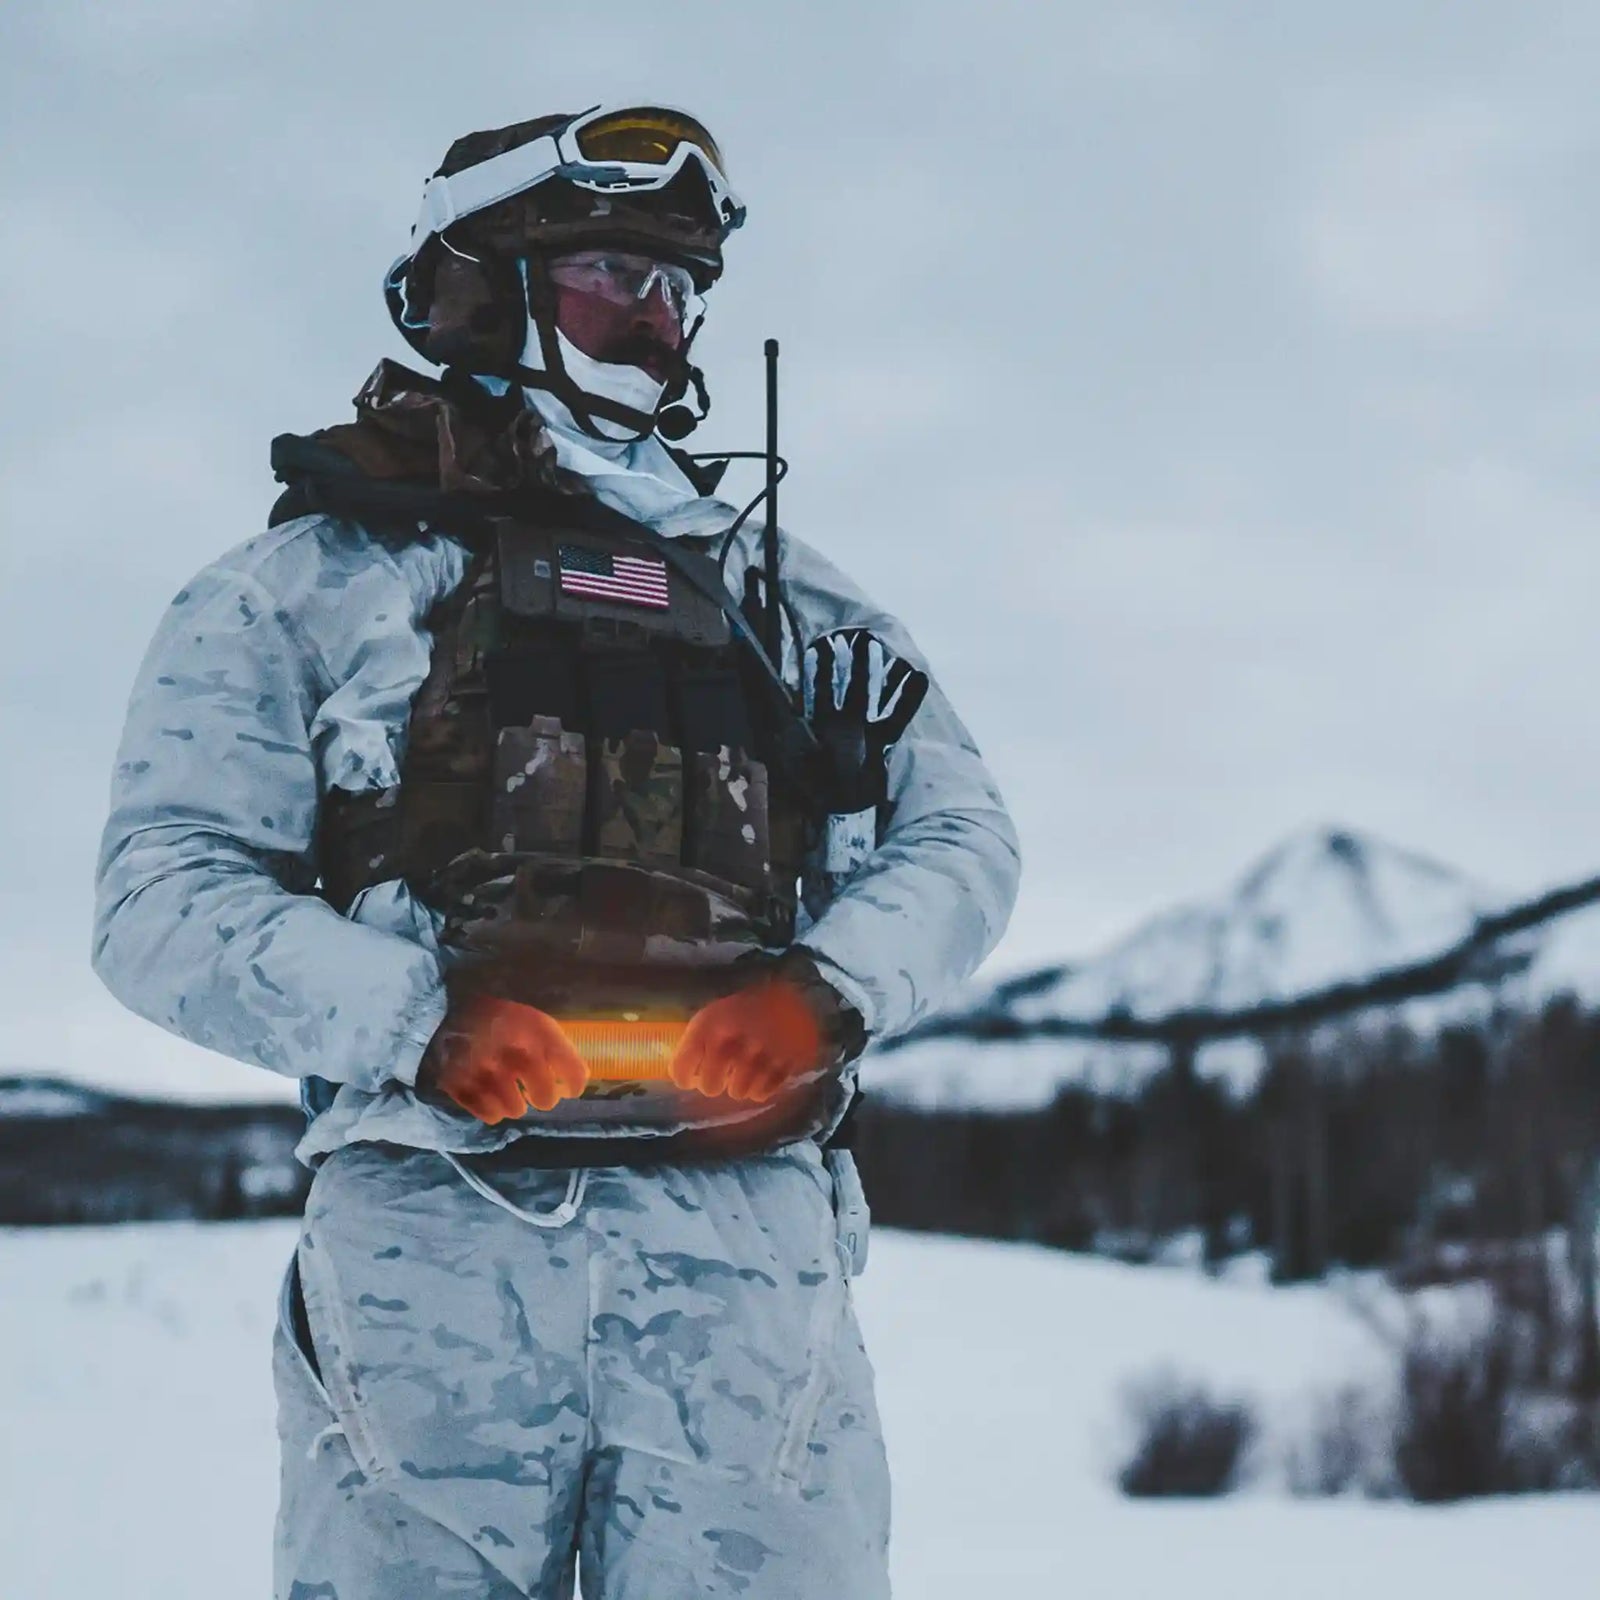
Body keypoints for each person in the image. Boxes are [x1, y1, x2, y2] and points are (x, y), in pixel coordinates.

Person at [92, 103, 1020, 1599]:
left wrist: (827, 994)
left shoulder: (786, 596)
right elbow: (160, 895)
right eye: (613, 275)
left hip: (745, 1249)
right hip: (433, 1242)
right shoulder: (310, 583)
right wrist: (415, 1024)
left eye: (678, 290)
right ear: (485, 285)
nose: (658, 323)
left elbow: (961, 835)